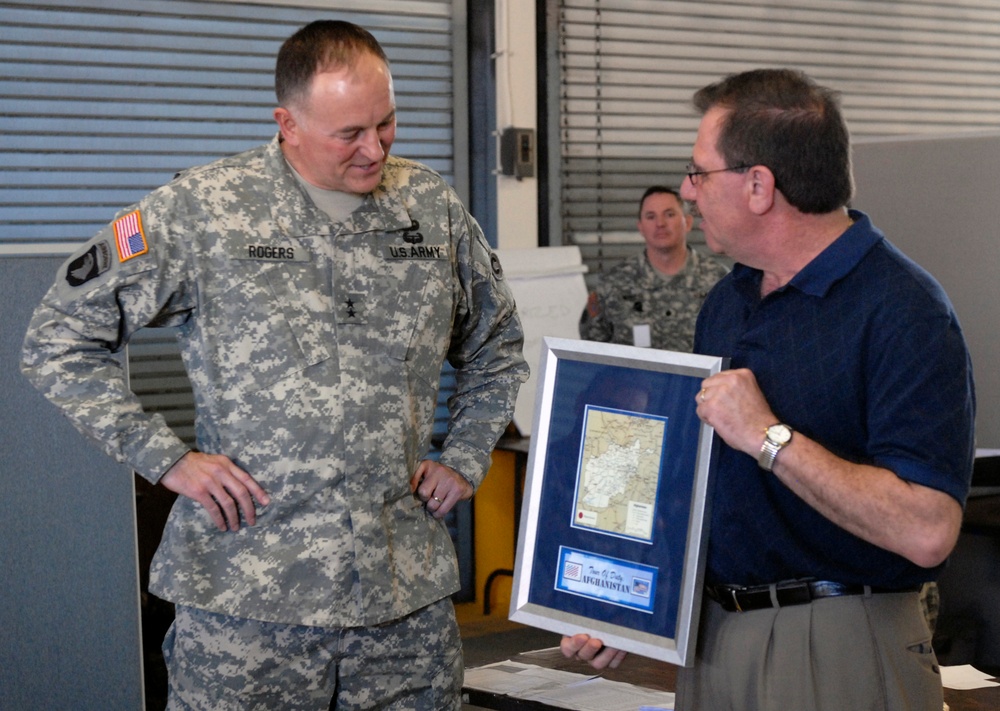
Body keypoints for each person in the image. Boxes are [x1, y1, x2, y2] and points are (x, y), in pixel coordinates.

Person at [21, 19, 528, 710]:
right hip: (247, 606)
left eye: (387, 124)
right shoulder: (202, 212)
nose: (374, 148)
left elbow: (496, 343)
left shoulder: (428, 207)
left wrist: (466, 452)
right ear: (287, 123)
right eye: (349, 133)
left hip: (401, 604)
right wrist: (166, 458)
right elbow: (57, 338)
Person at [561, 68, 975, 711]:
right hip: (715, 636)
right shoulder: (727, 301)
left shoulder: (903, 311)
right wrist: (631, 601)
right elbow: (708, 487)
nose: (686, 192)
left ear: (758, 185)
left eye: (699, 173)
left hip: (839, 641)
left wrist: (768, 436)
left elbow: (927, 529)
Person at [578, 185, 728, 351]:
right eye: (651, 217)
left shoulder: (719, 280)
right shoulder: (614, 283)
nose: (660, 224)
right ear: (640, 227)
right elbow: (591, 348)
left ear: (688, 222)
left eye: (669, 214)